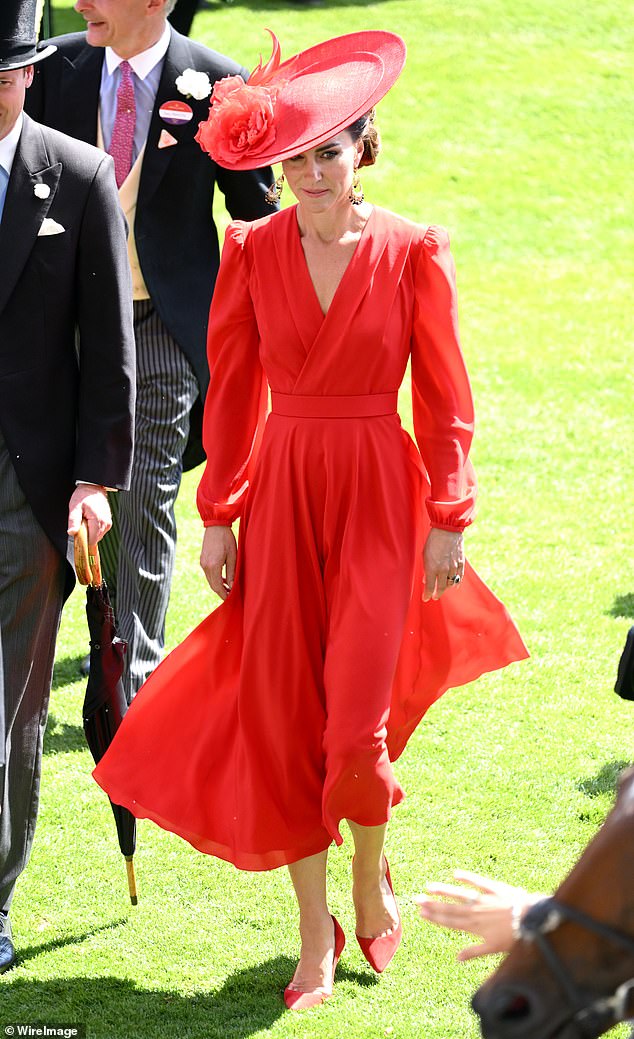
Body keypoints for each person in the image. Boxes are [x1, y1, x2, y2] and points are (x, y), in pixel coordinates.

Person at [94, 29, 528, 1009]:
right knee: (289, 723)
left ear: (362, 149)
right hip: (285, 499)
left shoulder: (414, 249)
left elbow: (448, 399)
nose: (312, 171)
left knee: (354, 734)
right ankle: (313, 936)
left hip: (381, 496)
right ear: (277, 165)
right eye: (295, 157)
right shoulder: (248, 250)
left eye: (329, 151)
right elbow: (235, 397)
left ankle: (372, 880)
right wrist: (219, 515)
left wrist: (449, 517)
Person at [25, 0, 274, 702]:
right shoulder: (53, 71)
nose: (81, 3)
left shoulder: (219, 84)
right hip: (56, 334)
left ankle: (131, 692)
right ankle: (43, 665)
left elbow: (257, 218)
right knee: (44, 500)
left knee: (139, 509)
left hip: (162, 331)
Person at [0, 0, 135, 973]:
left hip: (30, 493)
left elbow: (110, 357)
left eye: (4, 72)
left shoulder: (78, 176)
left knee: (6, 705)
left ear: (31, 74)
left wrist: (94, 480)